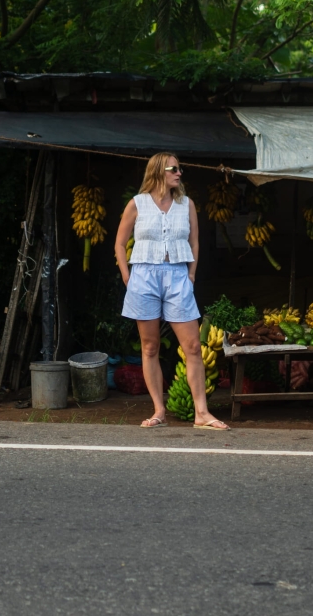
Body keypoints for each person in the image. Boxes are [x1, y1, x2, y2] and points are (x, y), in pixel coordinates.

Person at [115, 152, 229, 431]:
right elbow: (120, 243)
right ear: (158, 172)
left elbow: (195, 242)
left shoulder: (186, 204)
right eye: (174, 169)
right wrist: (128, 277)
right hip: (144, 276)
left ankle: (202, 413)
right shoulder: (137, 204)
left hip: (177, 276)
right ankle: (158, 411)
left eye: (179, 169)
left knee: (192, 346)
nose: (179, 173)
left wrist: (190, 274)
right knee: (150, 346)